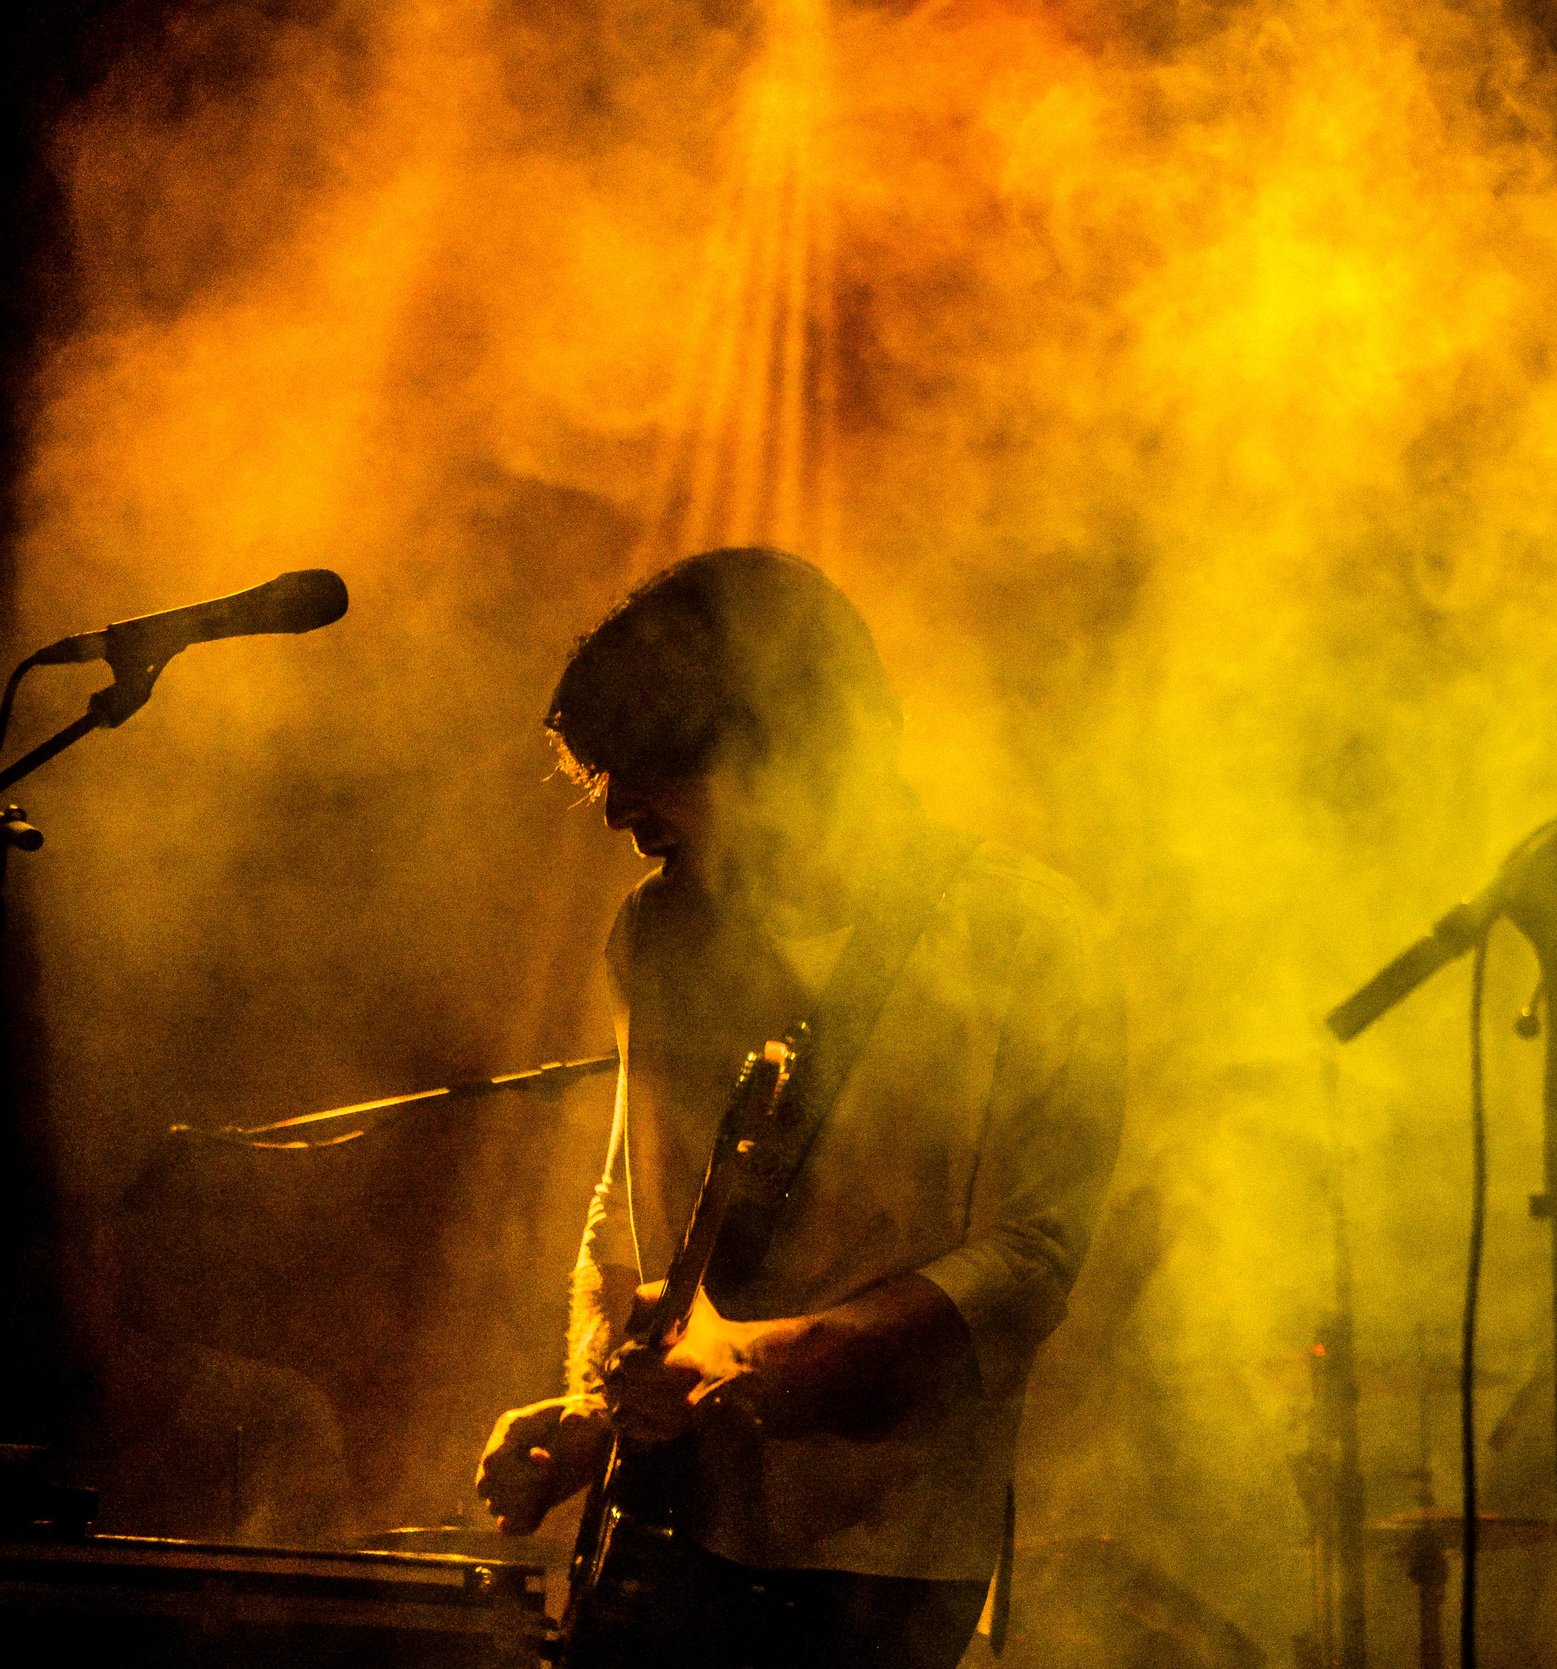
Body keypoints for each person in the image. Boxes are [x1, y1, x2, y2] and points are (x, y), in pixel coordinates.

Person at [474, 548, 1126, 1669]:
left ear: (783, 742)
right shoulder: (655, 932)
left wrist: (748, 1369)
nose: (619, 810)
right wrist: (596, 1400)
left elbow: (1034, 1255)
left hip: (880, 1549)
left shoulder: (1025, 933)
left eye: (649, 766)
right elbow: (633, 1213)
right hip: (670, 1529)